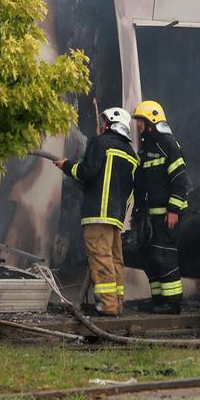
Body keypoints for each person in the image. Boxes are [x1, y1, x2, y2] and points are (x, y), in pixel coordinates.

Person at [48, 107, 138, 316]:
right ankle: (117, 303)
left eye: (103, 121)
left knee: (100, 258)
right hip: (116, 218)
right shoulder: (131, 154)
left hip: (97, 214)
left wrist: (67, 166)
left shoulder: (101, 143)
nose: (100, 125)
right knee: (115, 259)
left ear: (110, 124)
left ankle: (107, 306)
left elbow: (87, 172)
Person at [132, 100, 191, 314]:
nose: (138, 125)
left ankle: (172, 302)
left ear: (151, 121)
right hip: (148, 217)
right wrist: (136, 214)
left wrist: (174, 209)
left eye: (140, 121)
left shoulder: (168, 145)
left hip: (167, 216)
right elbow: (140, 185)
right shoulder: (145, 150)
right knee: (149, 257)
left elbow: (181, 181)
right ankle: (158, 299)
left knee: (163, 256)